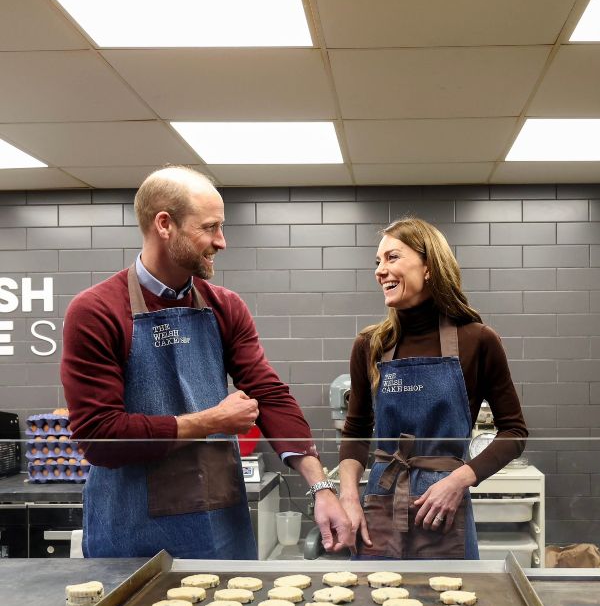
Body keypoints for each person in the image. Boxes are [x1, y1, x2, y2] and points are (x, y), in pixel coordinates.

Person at [61, 165, 351, 559]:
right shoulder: (97, 310)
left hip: (218, 520)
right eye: (210, 227)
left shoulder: (225, 306)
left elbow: (268, 394)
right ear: (165, 224)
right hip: (131, 529)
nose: (222, 241)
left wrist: (320, 487)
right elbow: (99, 437)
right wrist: (210, 421)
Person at [338, 217, 527, 559]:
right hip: (381, 498)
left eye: (392, 258)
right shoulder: (370, 345)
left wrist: (460, 480)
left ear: (428, 267)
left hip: (442, 505)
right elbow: (356, 432)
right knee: (374, 604)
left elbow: (514, 431)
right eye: (378, 262)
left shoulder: (478, 340)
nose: (380, 270)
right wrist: (348, 497)